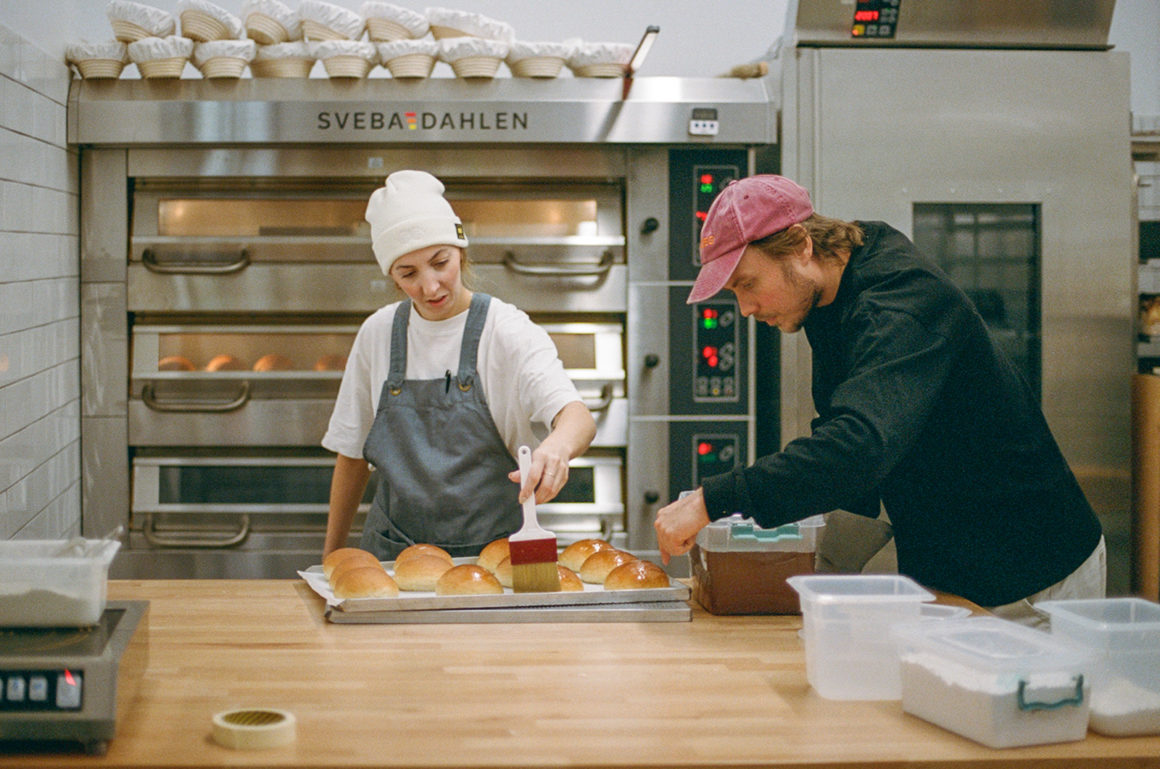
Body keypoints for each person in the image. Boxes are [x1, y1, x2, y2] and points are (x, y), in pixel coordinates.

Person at [653, 174, 1105, 626]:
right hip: (956, 573)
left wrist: (712, 500)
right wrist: (823, 575)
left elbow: (859, 447)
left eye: (747, 283)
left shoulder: (899, 303)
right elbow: (856, 452)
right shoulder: (830, 296)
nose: (746, 308)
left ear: (801, 245)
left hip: (1030, 576)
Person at [322, 170, 596, 561]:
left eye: (440, 262)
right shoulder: (377, 333)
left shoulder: (506, 330)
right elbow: (351, 454)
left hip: (493, 561)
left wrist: (557, 447)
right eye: (408, 273)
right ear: (392, 277)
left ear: (461, 251)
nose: (430, 287)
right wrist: (331, 557)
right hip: (394, 560)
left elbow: (577, 417)